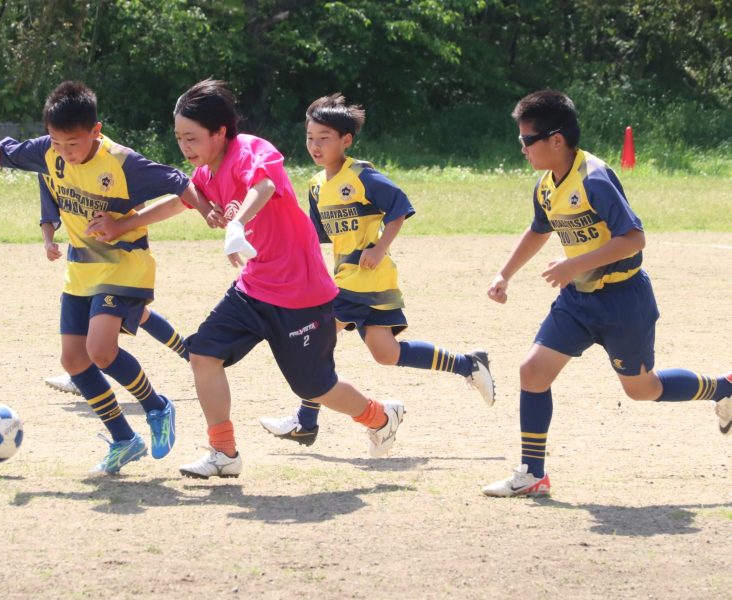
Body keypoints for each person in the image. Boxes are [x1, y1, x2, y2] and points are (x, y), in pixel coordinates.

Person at [86, 79, 405, 479]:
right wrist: (122, 225)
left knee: (314, 387)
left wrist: (236, 221)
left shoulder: (250, 150)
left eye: (192, 138)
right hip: (252, 289)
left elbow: (264, 185)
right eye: (179, 138)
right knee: (203, 354)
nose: (185, 147)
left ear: (219, 132)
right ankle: (224, 452)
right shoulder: (207, 172)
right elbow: (182, 201)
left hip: (300, 295)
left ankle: (380, 417)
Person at [482, 89, 732, 497]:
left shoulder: (594, 178)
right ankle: (533, 474)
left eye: (527, 140)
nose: (522, 148)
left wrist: (573, 264)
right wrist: (504, 274)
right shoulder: (546, 186)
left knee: (642, 389)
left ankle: (724, 388)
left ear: (556, 140)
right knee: (532, 371)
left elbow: (634, 239)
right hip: (578, 300)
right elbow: (539, 229)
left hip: (623, 300)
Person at [0, 80, 209, 475]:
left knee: (100, 350)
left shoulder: (122, 162)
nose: (64, 151)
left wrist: (207, 211)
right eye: (56, 142)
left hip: (124, 263)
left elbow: (182, 184)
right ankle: (124, 439)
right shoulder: (48, 151)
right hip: (81, 268)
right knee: (73, 359)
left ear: (96, 131)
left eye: (73, 143)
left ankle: (157, 407)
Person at [258, 93, 495, 447]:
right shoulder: (316, 186)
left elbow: (399, 208)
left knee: (315, 340)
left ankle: (306, 421)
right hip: (349, 278)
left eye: (324, 138)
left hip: (366, 278)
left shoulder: (362, 175)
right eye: (310, 137)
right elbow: (317, 237)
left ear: (346, 140)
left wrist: (380, 247)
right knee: (386, 353)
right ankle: (468, 364)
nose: (315, 145)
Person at [37, 174, 190, 397]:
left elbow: (140, 201)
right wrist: (48, 241)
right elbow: (49, 214)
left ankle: (176, 371)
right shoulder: (46, 169)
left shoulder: (109, 162)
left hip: (118, 256)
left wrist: (123, 225)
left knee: (110, 321)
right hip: (82, 259)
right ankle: (189, 353)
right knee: (133, 314)